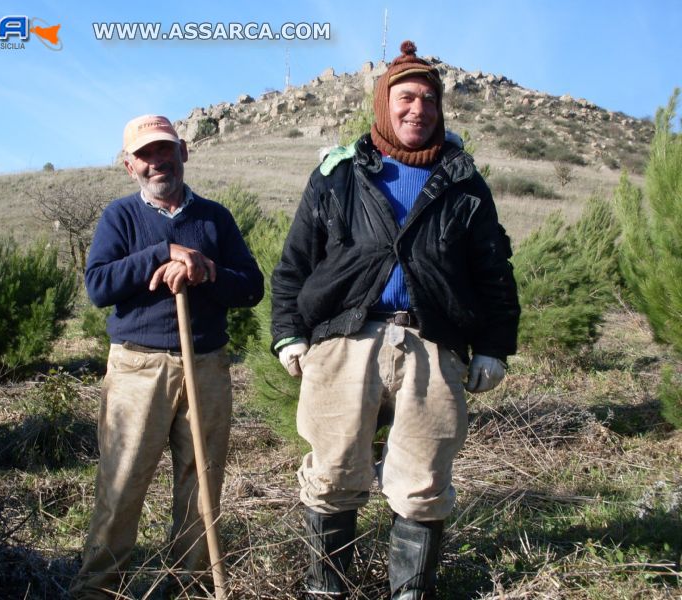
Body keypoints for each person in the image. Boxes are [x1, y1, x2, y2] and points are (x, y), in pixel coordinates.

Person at [271, 42, 520, 599]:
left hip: (432, 342)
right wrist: (288, 335)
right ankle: (327, 590)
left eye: (429, 100)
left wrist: (493, 347)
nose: (418, 109)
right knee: (333, 474)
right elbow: (294, 264)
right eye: (406, 97)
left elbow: (493, 272)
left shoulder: (464, 183)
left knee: (423, 480)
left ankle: (410, 594)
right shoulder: (337, 175)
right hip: (343, 341)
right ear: (385, 104)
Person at [72, 114, 264, 599]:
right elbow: (98, 286)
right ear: (128, 166)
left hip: (206, 366)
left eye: (166, 151)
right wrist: (162, 253)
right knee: (122, 484)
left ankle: (189, 586)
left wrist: (206, 271)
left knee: (201, 485)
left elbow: (252, 287)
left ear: (184, 154)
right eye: (145, 155)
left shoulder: (214, 217)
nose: (158, 162)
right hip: (138, 368)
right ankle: (98, 590)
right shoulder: (120, 217)